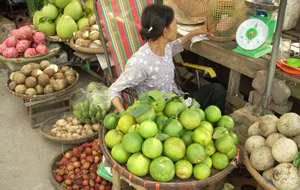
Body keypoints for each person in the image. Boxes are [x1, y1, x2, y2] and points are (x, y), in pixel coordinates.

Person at [108, 4, 226, 114]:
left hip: (179, 100)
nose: (176, 28)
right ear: (165, 31)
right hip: (162, 114)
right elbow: (114, 90)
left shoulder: (165, 47)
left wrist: (194, 33)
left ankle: (212, 130)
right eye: (175, 24)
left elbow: (177, 44)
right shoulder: (139, 63)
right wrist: (124, 116)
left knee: (217, 91)